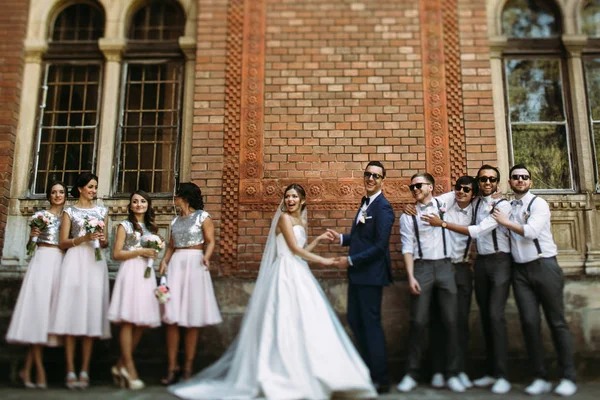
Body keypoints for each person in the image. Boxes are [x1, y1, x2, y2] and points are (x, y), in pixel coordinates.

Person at [168, 184, 377, 399]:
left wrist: (317, 240)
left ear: (303, 201)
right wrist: (324, 261)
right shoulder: (284, 219)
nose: (290, 200)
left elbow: (302, 252)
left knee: (306, 320)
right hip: (284, 273)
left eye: (294, 196)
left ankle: (310, 369)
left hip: (299, 272)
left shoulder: (302, 221)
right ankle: (281, 372)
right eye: (287, 196)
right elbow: (293, 250)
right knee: (282, 319)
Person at [425, 165, 512, 394]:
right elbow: (428, 201)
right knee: (459, 319)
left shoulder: (500, 205)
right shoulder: (462, 202)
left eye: (491, 179)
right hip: (471, 265)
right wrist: (412, 207)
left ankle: (497, 373)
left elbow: (478, 231)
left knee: (488, 317)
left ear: (497, 183)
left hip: (494, 262)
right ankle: (447, 370)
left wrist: (442, 223)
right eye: (483, 179)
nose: (487, 183)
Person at [493, 164, 577, 397]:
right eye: (516, 177)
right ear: (509, 182)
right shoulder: (508, 206)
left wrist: (505, 221)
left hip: (544, 266)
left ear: (530, 182)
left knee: (556, 321)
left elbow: (530, 232)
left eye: (525, 177)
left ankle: (568, 376)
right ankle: (539, 376)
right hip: (520, 272)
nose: (520, 180)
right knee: (529, 323)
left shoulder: (538, 203)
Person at [327, 161, 395, 394]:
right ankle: (366, 371)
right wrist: (341, 239)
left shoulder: (383, 208)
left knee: (371, 325)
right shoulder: (365, 204)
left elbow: (379, 247)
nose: (371, 179)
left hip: (371, 275)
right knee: (356, 322)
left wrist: (351, 260)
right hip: (357, 275)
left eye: (376, 176)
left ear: (382, 180)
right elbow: (361, 237)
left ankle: (381, 378)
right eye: (368, 174)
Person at [397, 172, 465, 393]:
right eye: (412, 187)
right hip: (422, 268)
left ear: (431, 187)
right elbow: (407, 247)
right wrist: (410, 276)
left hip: (446, 267)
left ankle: (451, 373)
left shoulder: (446, 202)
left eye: (419, 185)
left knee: (450, 321)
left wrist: (497, 195)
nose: (414, 189)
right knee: (418, 321)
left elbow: (470, 191)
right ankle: (411, 372)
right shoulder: (408, 215)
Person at [49, 172, 111, 389]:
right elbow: (63, 242)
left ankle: (84, 369)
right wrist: (84, 238)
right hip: (74, 261)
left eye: (95, 187)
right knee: (71, 312)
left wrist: (102, 240)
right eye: (91, 187)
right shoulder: (69, 211)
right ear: (80, 189)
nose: (94, 191)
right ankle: (70, 370)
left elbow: (106, 243)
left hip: (95, 263)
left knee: (90, 313)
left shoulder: (103, 211)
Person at [158, 182, 222, 384]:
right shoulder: (175, 221)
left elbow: (210, 240)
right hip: (177, 264)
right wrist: (164, 261)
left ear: (183, 197)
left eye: (176, 195)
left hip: (195, 263)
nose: (174, 198)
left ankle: (188, 367)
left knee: (192, 318)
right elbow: (170, 246)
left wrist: (207, 257)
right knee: (172, 318)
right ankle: (171, 367)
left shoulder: (203, 216)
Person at [6, 181, 67, 389]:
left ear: (66, 195)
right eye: (53, 192)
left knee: (48, 315)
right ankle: (39, 368)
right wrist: (32, 238)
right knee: (38, 312)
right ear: (49, 196)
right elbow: (29, 247)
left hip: (59, 263)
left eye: (61, 192)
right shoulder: (41, 216)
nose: (57, 195)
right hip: (42, 260)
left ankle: (26, 369)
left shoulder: (68, 217)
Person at [421, 176, 478, 390]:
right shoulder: (445, 201)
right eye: (458, 188)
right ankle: (437, 370)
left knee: (460, 321)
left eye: (466, 189)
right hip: (442, 266)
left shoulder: (476, 209)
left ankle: (458, 370)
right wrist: (411, 207)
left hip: (462, 268)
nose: (461, 192)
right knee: (439, 320)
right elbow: (426, 202)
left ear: (473, 194)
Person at [108, 190, 162, 390]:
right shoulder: (125, 225)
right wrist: (140, 251)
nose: (139, 204)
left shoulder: (151, 227)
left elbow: (152, 251)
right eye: (135, 202)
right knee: (129, 320)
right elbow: (116, 253)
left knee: (142, 320)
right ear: (130, 206)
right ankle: (129, 367)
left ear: (148, 205)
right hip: (130, 271)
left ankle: (120, 364)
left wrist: (152, 253)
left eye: (142, 201)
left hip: (145, 274)